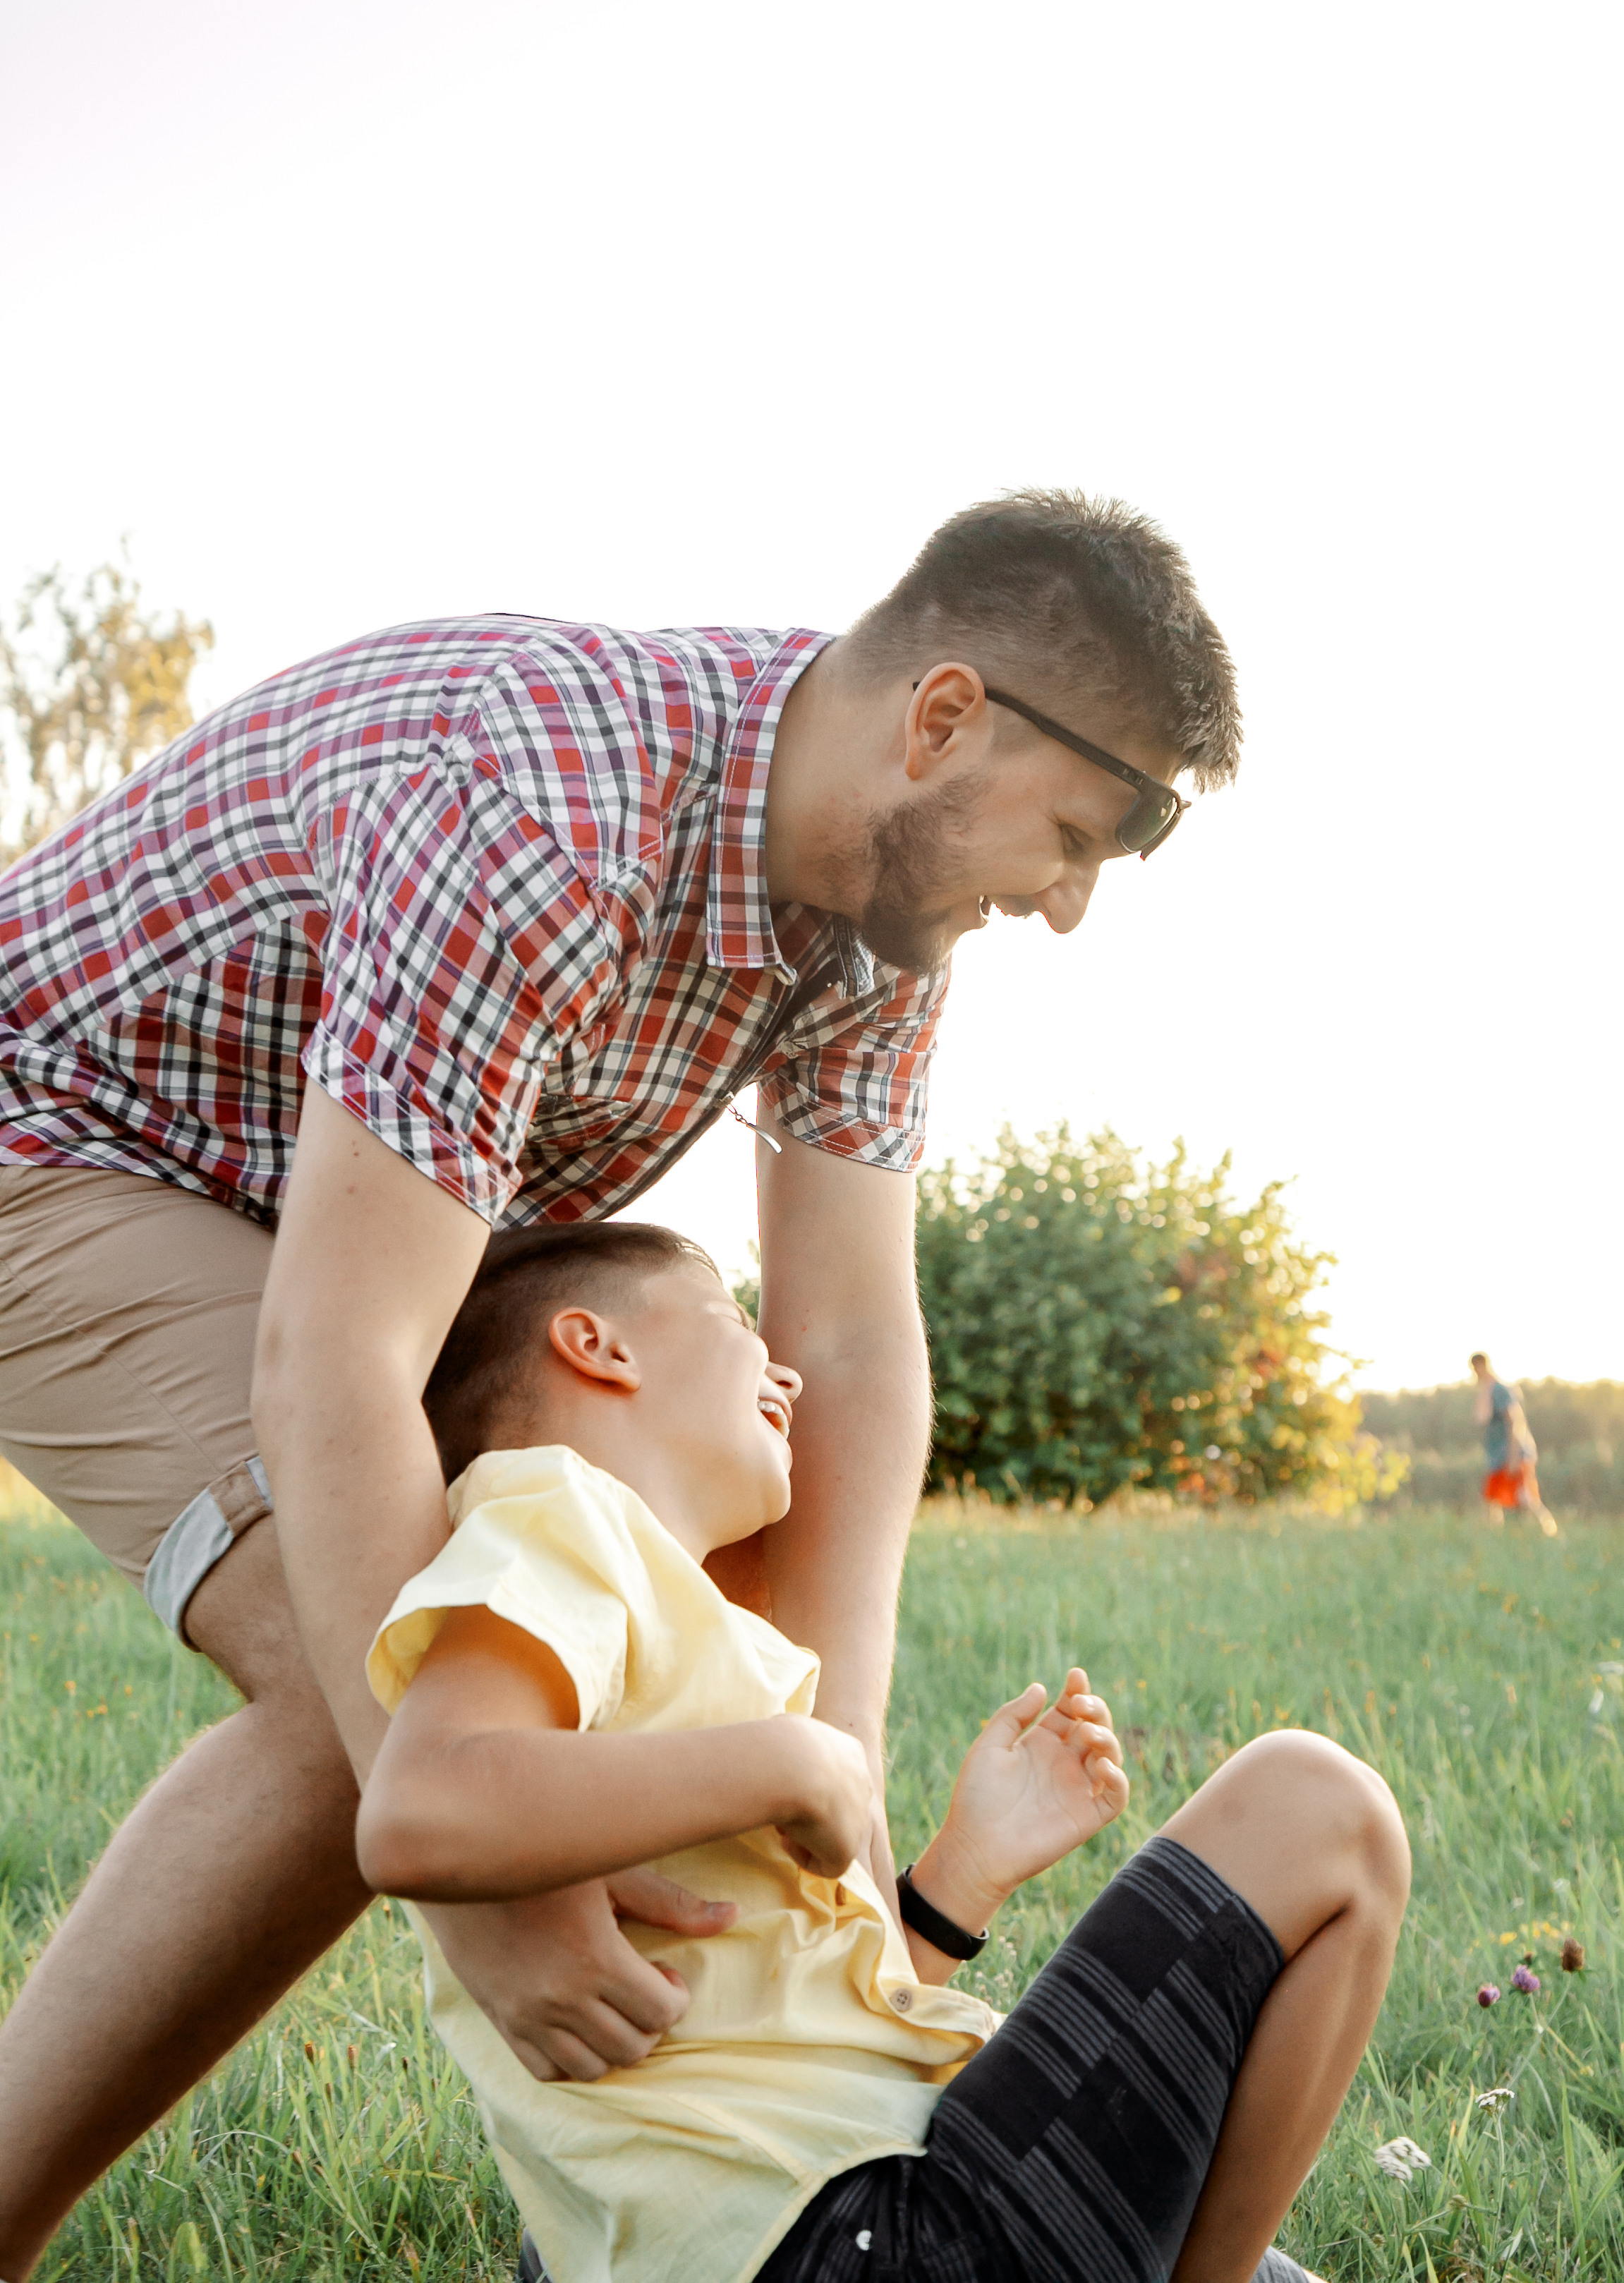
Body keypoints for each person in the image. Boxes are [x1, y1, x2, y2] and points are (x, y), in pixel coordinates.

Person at [0, 492, 1243, 2274]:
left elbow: (851, 1345)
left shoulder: (875, 920)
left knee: (610, 1657)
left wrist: (834, 1800)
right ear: (942, 718)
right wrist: (479, 1887)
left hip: (339, 1184)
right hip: (71, 1144)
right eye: (1068, 840)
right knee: (381, 1680)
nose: (1059, 908)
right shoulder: (546, 820)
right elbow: (336, 1353)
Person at [356, 1217, 1409, 2283]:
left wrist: (963, 1873)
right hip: (858, 2241)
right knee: (1319, 1806)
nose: (786, 1375)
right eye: (732, 1320)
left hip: (783, 2226)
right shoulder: (558, 1519)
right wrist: (794, 1762)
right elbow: (414, 1807)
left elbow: (781, 2029)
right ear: (598, 1346)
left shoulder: (654, 1646)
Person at [1470, 1352, 1556, 1535]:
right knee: (1492, 1500)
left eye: (1476, 1368)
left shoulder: (1501, 1390)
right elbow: (1480, 1419)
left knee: (1528, 1500)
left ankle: (1551, 1534)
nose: (1474, 1373)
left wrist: (1514, 1457)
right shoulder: (1486, 1391)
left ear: (1483, 1366)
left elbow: (1515, 1423)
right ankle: (1496, 1537)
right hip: (1497, 1457)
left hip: (1513, 1454)